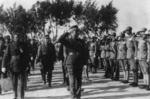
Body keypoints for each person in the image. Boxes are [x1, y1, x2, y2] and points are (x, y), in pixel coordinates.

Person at [57, 25, 86, 99]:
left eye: (77, 32)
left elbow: (84, 52)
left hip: (79, 62)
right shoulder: (68, 41)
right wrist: (67, 32)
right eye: (74, 32)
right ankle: (73, 97)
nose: (76, 33)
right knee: (72, 82)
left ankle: (78, 96)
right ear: (71, 32)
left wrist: (85, 63)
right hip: (70, 63)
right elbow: (60, 39)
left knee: (79, 81)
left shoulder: (81, 41)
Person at [2, 33, 29, 99]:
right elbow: (5, 56)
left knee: (22, 83)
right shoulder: (10, 45)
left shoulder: (24, 45)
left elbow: (27, 55)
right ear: (13, 38)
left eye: (18, 37)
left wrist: (28, 64)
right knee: (14, 82)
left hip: (22, 66)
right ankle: (15, 93)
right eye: (16, 37)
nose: (18, 38)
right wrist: (4, 66)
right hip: (13, 67)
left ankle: (21, 96)